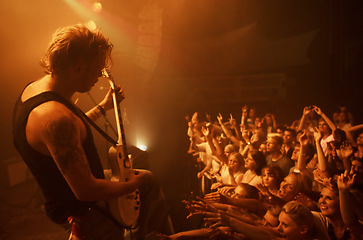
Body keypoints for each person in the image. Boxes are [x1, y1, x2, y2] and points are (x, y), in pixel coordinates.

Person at [12, 24, 152, 239]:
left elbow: (66, 134)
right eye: (98, 66)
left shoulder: (36, 90)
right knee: (150, 182)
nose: (101, 73)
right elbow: (86, 191)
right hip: (88, 219)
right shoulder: (56, 118)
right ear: (77, 67)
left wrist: (102, 107)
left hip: (80, 210)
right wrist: (135, 184)